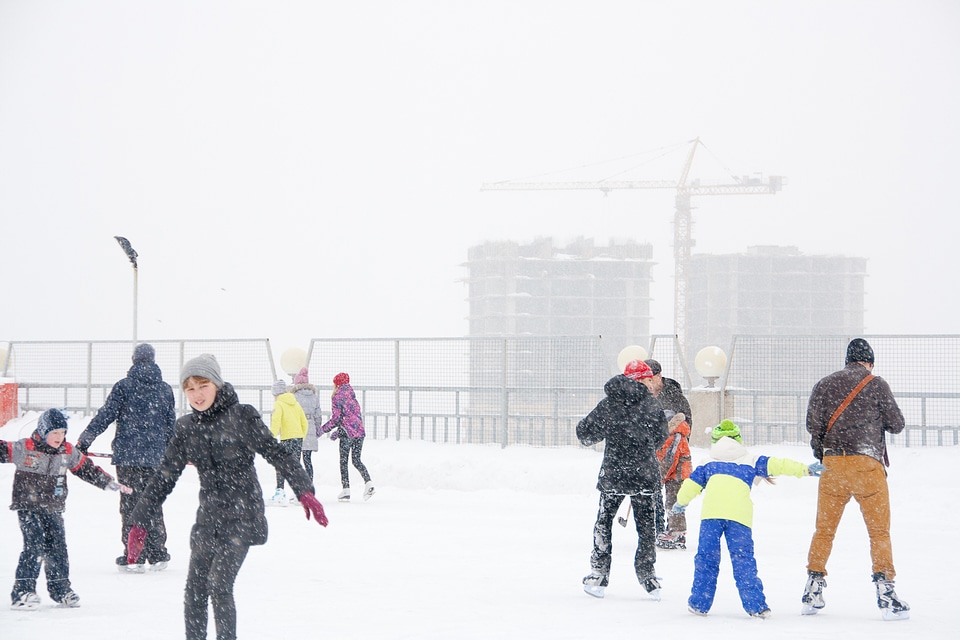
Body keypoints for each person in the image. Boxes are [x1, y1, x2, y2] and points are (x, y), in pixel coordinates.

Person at [126, 354, 328, 640]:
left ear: (217, 384)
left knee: (218, 585)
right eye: (190, 388)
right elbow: (164, 476)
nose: (197, 394)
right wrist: (140, 520)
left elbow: (277, 452)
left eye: (203, 385)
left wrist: (304, 490)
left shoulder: (241, 417)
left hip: (243, 515)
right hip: (209, 517)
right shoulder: (186, 428)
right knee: (194, 589)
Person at [802, 338, 909, 621]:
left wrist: (825, 454)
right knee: (878, 532)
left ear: (847, 360)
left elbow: (813, 426)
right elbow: (897, 424)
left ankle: (813, 586)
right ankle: (886, 591)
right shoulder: (876, 383)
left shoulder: (824, 384)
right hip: (867, 464)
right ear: (869, 362)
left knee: (824, 530)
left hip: (833, 465)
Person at [673, 419, 823, 619]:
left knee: (706, 560)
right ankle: (756, 606)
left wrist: (680, 503)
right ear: (738, 439)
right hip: (739, 519)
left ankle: (699, 603)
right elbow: (780, 464)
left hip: (711, 518)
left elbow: (690, 486)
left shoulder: (707, 463)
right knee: (744, 561)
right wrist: (806, 469)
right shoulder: (751, 460)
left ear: (715, 441)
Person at [2, 408, 131, 610]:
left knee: (58, 548)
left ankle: (61, 590)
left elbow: (86, 469)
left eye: (62, 432)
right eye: (54, 432)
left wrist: (108, 483)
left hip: (53, 507)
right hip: (28, 506)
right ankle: (23, 592)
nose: (59, 437)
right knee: (34, 546)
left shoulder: (67, 451)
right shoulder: (25, 447)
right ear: (44, 432)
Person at [76, 342, 176, 573]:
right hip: (156, 458)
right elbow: (170, 426)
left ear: (134, 360)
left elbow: (105, 415)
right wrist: (172, 453)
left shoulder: (124, 387)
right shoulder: (165, 390)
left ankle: (135, 556)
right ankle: (158, 554)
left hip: (128, 458)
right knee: (152, 503)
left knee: (130, 504)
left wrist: (84, 441)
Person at [576, 359, 668, 600]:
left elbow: (585, 434)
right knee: (646, 527)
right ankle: (648, 576)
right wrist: (641, 451)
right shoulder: (652, 406)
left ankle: (598, 574)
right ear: (639, 379)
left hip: (614, 473)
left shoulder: (609, 404)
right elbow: (660, 437)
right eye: (648, 379)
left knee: (604, 523)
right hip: (644, 475)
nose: (651, 384)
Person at [643, 358, 694, 544]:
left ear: (659, 376)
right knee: (652, 494)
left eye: (650, 378)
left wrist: (672, 444)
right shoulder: (644, 396)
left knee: (674, 495)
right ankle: (656, 529)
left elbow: (685, 425)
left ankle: (676, 532)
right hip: (654, 452)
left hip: (676, 453)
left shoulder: (674, 396)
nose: (648, 383)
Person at [318, 372, 375, 502]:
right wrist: (338, 432)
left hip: (347, 433)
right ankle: (368, 483)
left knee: (343, 461)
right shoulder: (352, 396)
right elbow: (352, 418)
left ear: (336, 384)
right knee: (356, 460)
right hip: (359, 432)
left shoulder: (337, 396)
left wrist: (322, 430)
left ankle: (346, 489)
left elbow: (337, 418)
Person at [654, 411, 692, 550]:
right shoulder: (672, 435)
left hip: (678, 476)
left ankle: (677, 534)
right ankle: (674, 531)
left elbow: (669, 461)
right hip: (675, 475)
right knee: (673, 503)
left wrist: (659, 478)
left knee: (674, 504)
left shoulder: (674, 437)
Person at [268, 378, 308, 505]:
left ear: (276, 394)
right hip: (298, 439)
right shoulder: (296, 404)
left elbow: (276, 422)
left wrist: (271, 437)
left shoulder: (278, 404)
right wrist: (301, 435)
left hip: (286, 439)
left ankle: (280, 493)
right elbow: (304, 422)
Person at [291, 367, 322, 482]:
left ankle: (299, 485)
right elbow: (318, 415)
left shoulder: (295, 396)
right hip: (311, 427)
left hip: (298, 429)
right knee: (307, 459)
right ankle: (310, 485)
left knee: (296, 459)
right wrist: (317, 429)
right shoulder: (314, 396)